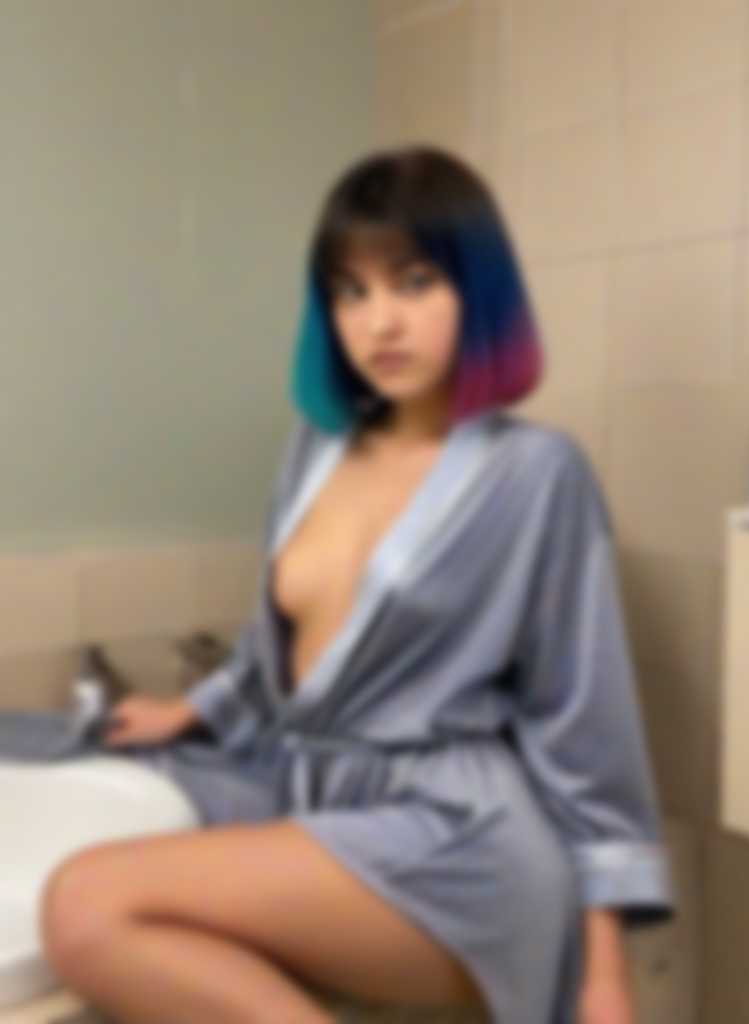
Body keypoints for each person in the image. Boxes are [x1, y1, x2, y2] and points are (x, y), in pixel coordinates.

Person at [23, 145, 676, 1023]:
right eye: (350, 291)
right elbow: (282, 652)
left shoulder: (535, 473)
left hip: (458, 836)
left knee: (86, 905)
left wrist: (604, 976)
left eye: (414, 282)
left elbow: (585, 723)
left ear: (477, 290)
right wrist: (193, 710)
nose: (380, 323)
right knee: (91, 837)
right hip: (317, 792)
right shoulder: (315, 451)